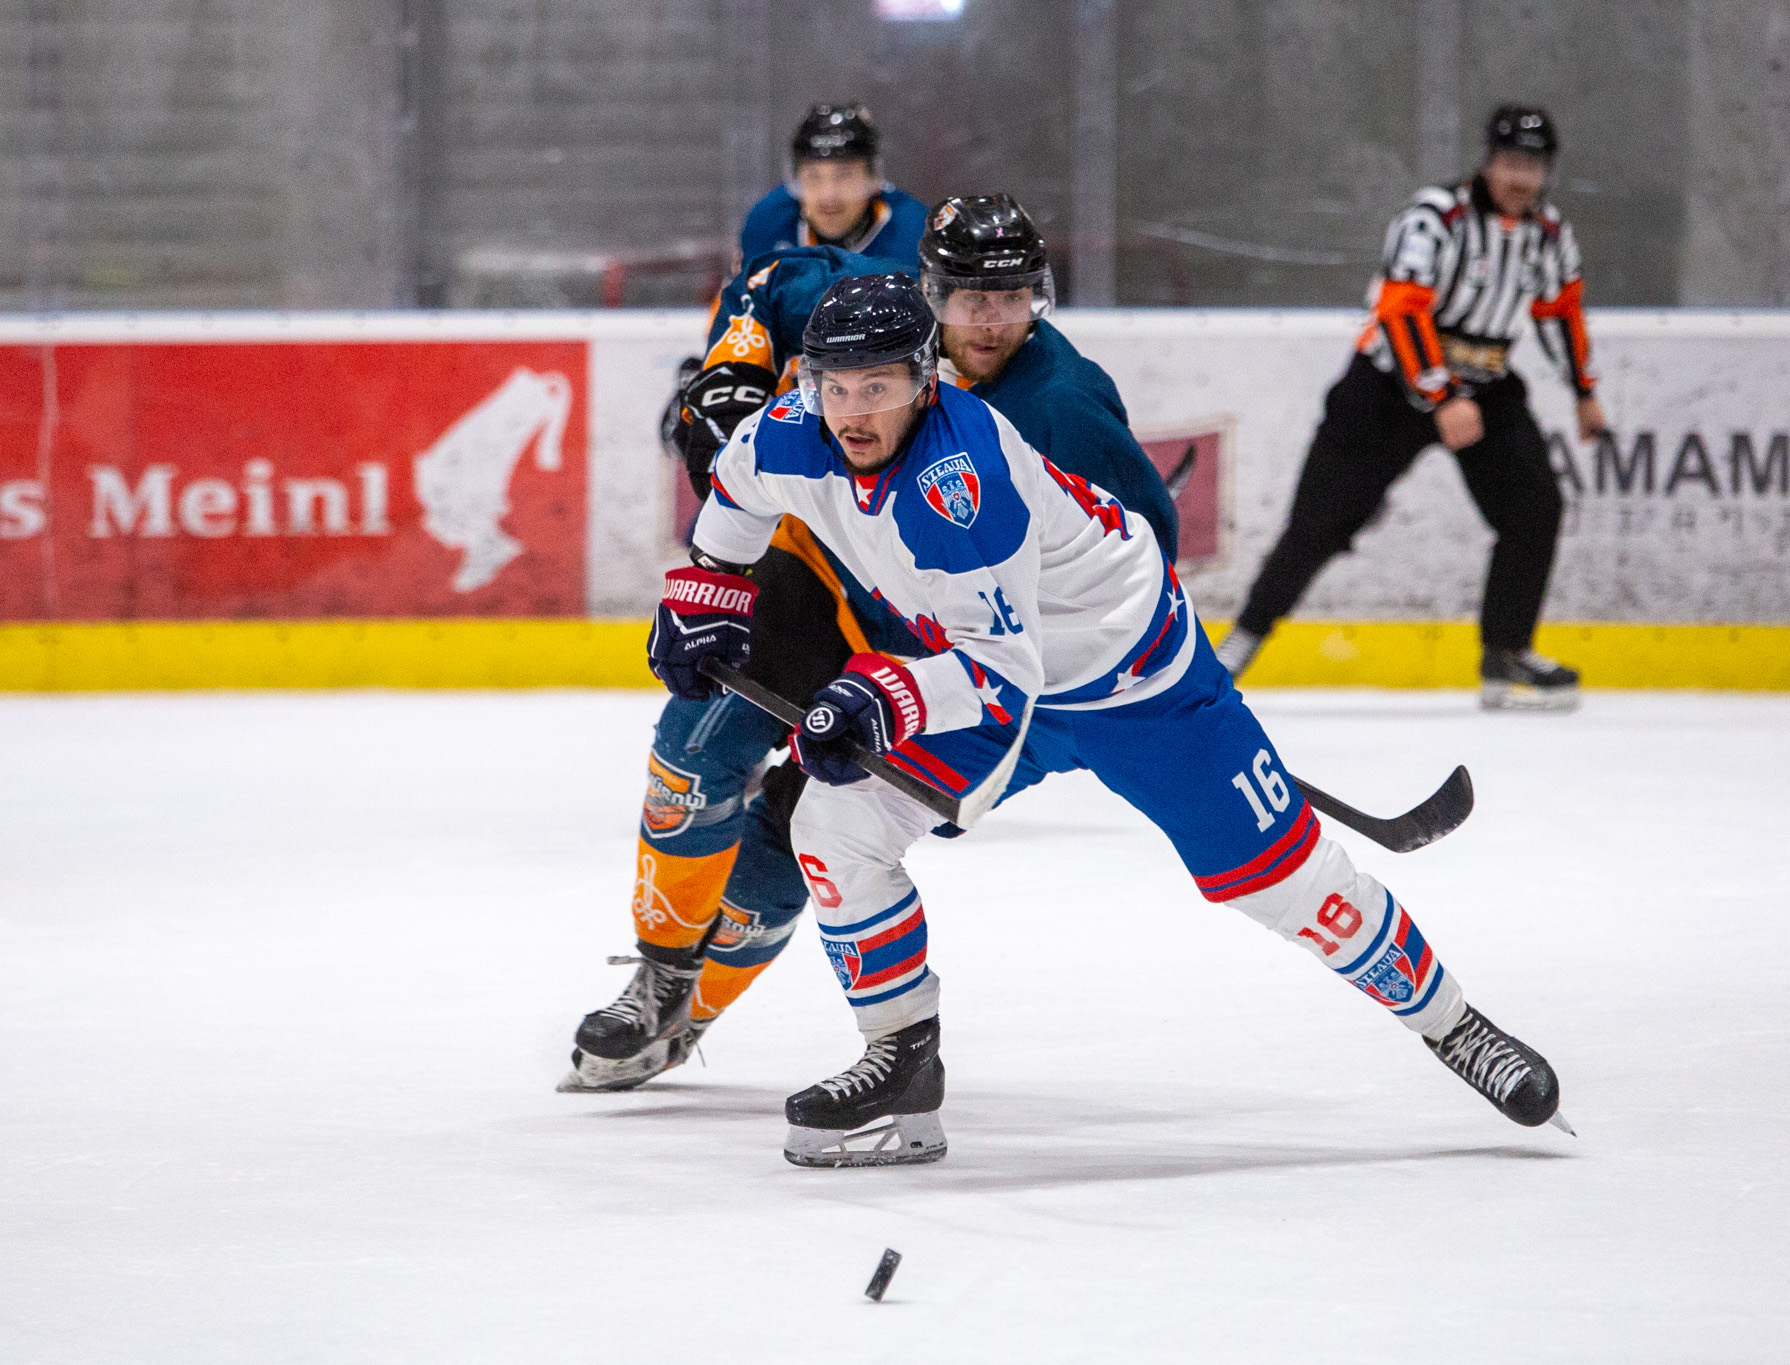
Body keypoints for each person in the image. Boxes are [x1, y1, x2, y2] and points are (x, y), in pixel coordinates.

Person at [660, 272, 1570, 1166]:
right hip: (992, 665)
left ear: (925, 380)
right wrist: (710, 590)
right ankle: (903, 1058)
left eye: (881, 387)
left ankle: (1454, 1025)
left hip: (1132, 678)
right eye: (838, 387)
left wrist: (880, 697)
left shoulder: (958, 482)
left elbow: (1000, 674)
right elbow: (737, 492)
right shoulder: (792, 429)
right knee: (834, 821)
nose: (855, 413)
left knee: (1286, 884)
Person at [560, 196, 1178, 1093]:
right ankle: (659, 973)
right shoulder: (868, 309)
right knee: (697, 745)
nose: (987, 321)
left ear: (1038, 297)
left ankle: (695, 1009)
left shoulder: (1065, 406)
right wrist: (733, 369)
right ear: (929, 290)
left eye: (1009, 297)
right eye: (965, 296)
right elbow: (767, 282)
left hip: (929, 652)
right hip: (823, 582)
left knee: (801, 829)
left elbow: (1138, 568)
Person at [1213, 105, 1607, 711]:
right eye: (1510, 163)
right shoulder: (1435, 217)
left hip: (1486, 386)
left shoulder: (1549, 234)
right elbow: (1400, 309)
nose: (1520, 178)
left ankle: (1507, 653)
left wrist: (1583, 392)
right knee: (1320, 523)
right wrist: (1440, 395)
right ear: (1488, 161)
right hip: (1386, 386)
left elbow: (1560, 312)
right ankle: (1238, 646)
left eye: (1532, 166)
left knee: (1534, 510)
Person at [737, 104, 926, 265]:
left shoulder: (916, 234)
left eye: (844, 175)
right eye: (813, 176)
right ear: (796, 180)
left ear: (872, 180)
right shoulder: (767, 224)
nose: (829, 195)